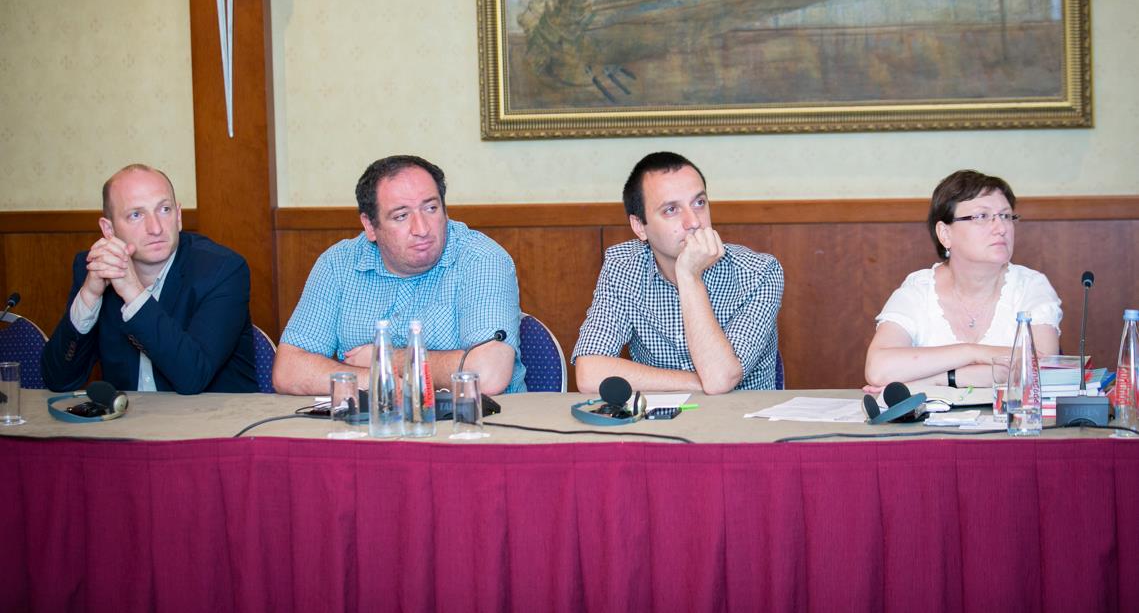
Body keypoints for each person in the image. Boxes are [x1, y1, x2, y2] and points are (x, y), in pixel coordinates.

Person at [273, 155, 524, 396]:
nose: (422, 229)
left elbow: (488, 375)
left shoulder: (481, 259)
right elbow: (288, 371)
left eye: (431, 208)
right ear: (370, 226)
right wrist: (379, 380)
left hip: (475, 420)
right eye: (401, 216)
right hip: (369, 420)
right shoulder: (338, 264)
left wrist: (384, 358)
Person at [572, 152, 784, 394]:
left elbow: (720, 379)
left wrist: (690, 277)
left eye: (699, 203)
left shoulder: (759, 273)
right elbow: (589, 374)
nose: (693, 221)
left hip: (742, 416)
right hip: (657, 417)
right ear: (640, 227)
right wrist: (699, 382)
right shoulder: (622, 266)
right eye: (671, 209)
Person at [41, 164, 256, 393]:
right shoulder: (97, 267)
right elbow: (58, 380)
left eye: (164, 210)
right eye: (136, 215)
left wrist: (133, 293)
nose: (155, 228)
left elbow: (193, 376)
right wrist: (89, 296)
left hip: (212, 414)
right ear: (109, 229)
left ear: (179, 216)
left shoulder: (222, 271)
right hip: (127, 415)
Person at [865, 169, 1061, 390]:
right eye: (982, 216)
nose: (1001, 228)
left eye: (1006, 216)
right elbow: (878, 369)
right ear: (945, 234)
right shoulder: (920, 289)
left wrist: (935, 380)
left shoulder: (1030, 286)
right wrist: (973, 353)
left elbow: (1039, 370)